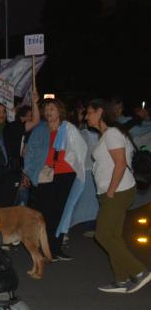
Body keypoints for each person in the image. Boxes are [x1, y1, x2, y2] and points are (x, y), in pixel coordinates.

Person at [86, 99, 151, 293]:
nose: (86, 116)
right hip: (116, 190)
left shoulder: (112, 134)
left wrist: (111, 191)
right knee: (113, 235)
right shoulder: (108, 134)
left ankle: (139, 272)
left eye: (89, 112)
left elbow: (120, 163)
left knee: (103, 234)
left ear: (100, 112)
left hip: (117, 190)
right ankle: (121, 280)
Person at [23, 98, 87, 261]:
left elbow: (80, 150)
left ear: (59, 111)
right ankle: (44, 248)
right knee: (44, 214)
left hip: (66, 176)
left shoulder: (68, 129)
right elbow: (29, 153)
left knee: (61, 213)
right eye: (46, 109)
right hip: (45, 175)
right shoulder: (39, 130)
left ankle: (56, 248)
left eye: (52, 108)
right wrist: (28, 173)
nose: (48, 112)